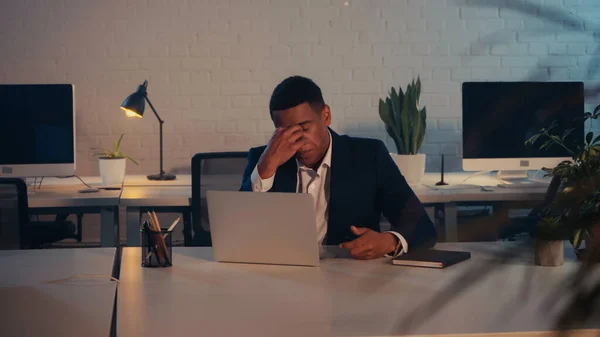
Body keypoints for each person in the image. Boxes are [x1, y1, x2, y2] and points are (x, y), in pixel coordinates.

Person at [240, 76, 436, 260]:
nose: (298, 142)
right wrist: (266, 168)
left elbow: (422, 226)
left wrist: (389, 241)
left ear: (326, 116)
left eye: (304, 128)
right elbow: (239, 233)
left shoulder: (369, 156)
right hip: (284, 277)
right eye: (286, 133)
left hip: (350, 277)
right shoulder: (263, 160)